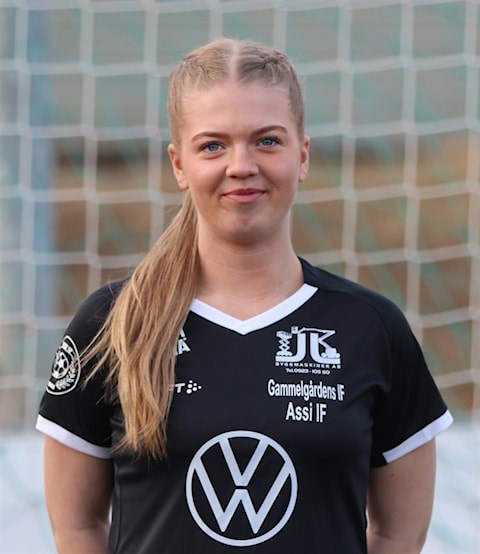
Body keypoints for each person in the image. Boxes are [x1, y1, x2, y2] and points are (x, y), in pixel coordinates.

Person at [36, 37, 453, 554]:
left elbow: (397, 533)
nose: (241, 165)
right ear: (179, 165)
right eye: (213, 145)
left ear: (302, 155)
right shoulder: (114, 323)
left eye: (267, 141)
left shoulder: (371, 328)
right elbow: (77, 527)